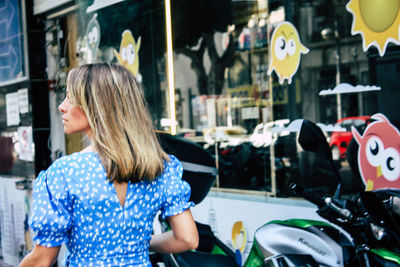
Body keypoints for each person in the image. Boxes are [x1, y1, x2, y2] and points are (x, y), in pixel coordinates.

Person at [19, 63, 199, 267]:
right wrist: (135, 246)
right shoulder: (161, 168)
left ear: (96, 105)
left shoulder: (65, 173)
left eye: (70, 97)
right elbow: (187, 239)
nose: (62, 106)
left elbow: (42, 259)